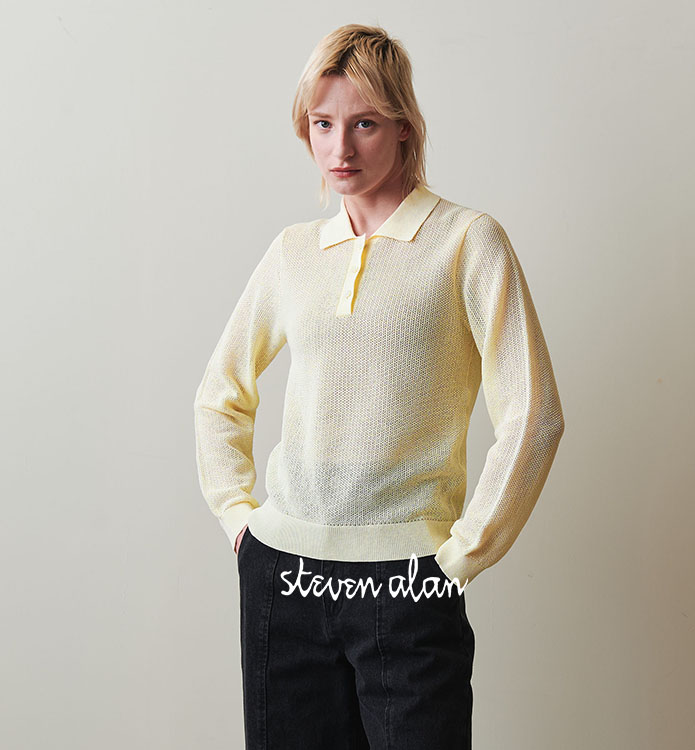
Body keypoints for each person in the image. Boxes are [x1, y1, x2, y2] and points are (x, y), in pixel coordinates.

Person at [193, 23, 565, 750]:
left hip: (408, 584)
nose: (340, 148)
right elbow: (220, 393)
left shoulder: (466, 242)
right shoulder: (294, 253)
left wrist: (461, 556)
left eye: (363, 123)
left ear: (402, 126)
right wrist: (239, 518)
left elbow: (534, 414)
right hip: (284, 581)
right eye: (322, 124)